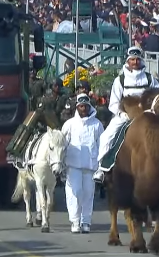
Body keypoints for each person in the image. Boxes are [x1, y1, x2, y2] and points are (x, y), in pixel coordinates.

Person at [95, 46, 159, 182]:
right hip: (125, 114)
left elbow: (157, 97)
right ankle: (101, 167)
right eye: (132, 60)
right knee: (107, 136)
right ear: (128, 61)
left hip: (146, 114)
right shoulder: (120, 80)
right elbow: (113, 103)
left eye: (137, 59)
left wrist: (154, 110)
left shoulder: (149, 79)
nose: (135, 62)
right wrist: (122, 114)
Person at [60, 94, 103, 233]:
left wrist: (100, 165)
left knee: (88, 193)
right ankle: (75, 221)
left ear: (89, 106)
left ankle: (86, 221)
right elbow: (62, 144)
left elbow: (101, 144)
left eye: (85, 106)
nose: (83, 108)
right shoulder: (69, 124)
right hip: (73, 164)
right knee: (75, 192)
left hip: (91, 165)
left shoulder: (97, 124)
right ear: (77, 107)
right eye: (80, 106)